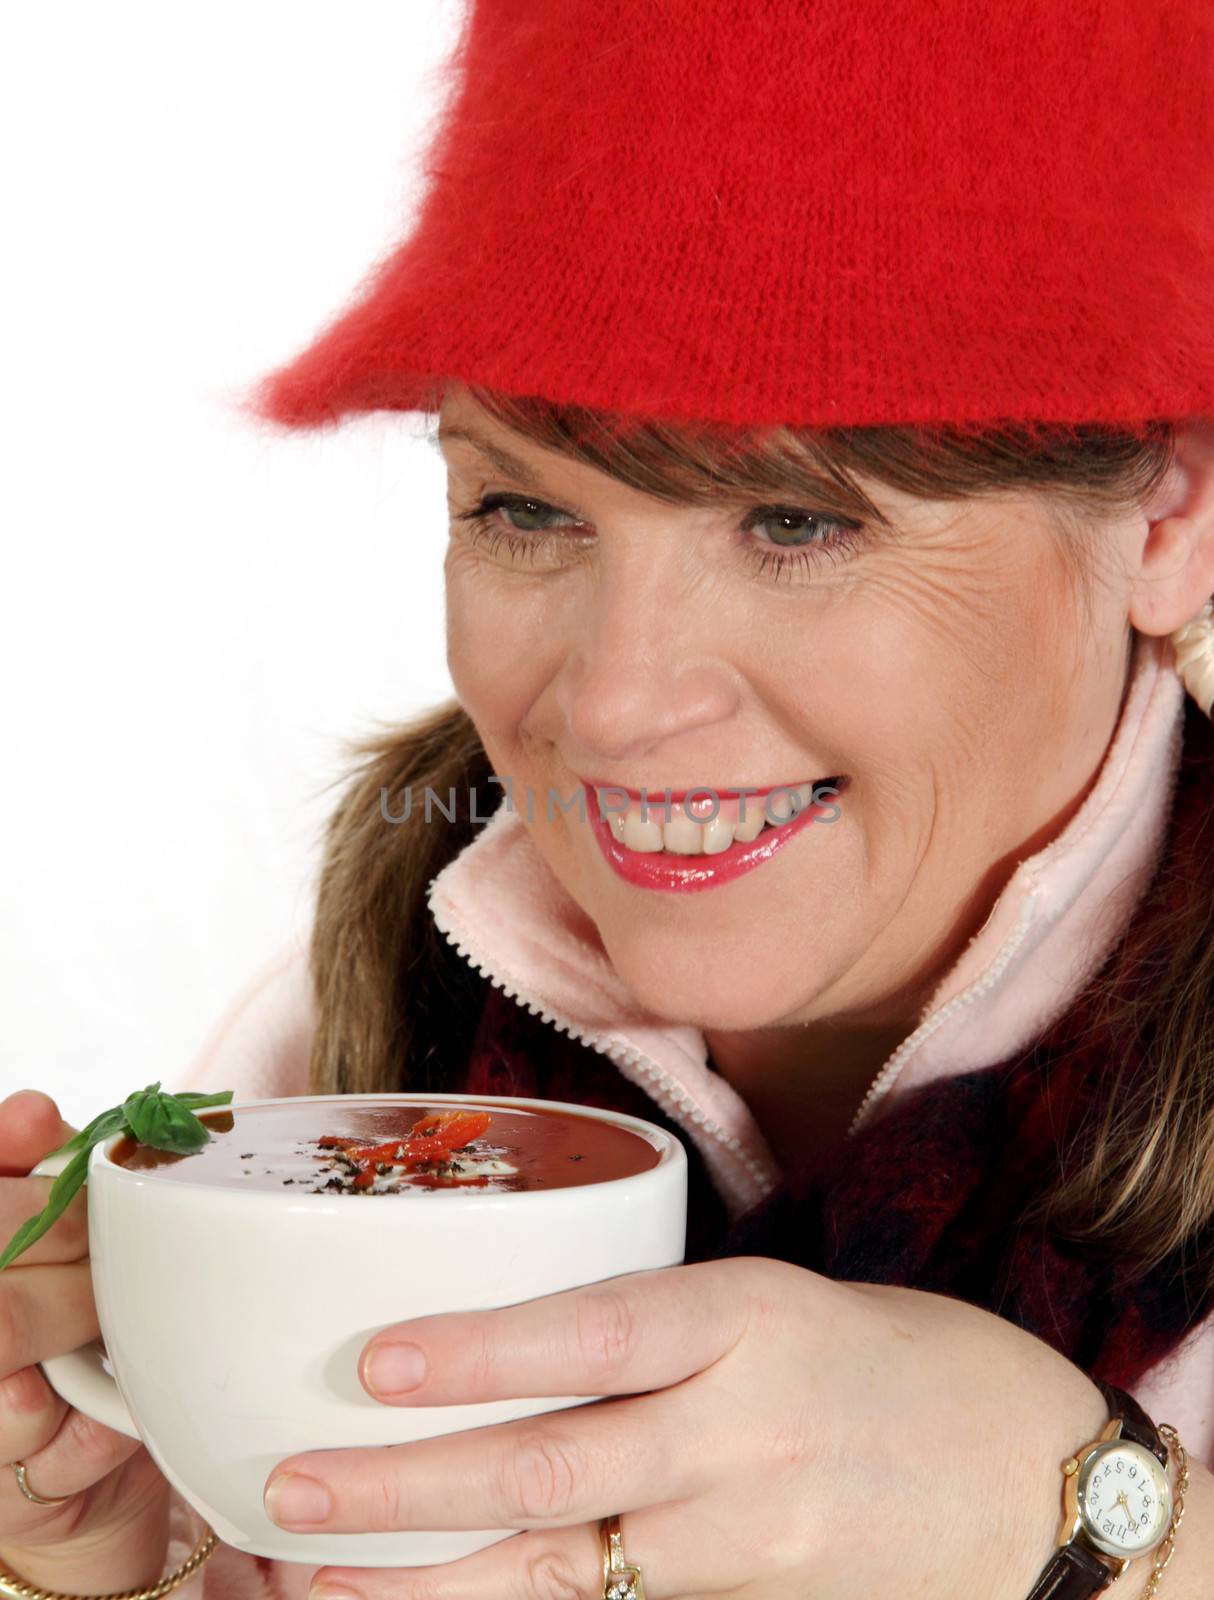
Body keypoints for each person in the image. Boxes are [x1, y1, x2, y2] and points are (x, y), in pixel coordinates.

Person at [4, 1, 1214, 1597]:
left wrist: (1105, 1530)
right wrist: (132, 1544)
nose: (613, 707)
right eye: (519, 506)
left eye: (792, 518)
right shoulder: (377, 992)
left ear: (1161, 520)